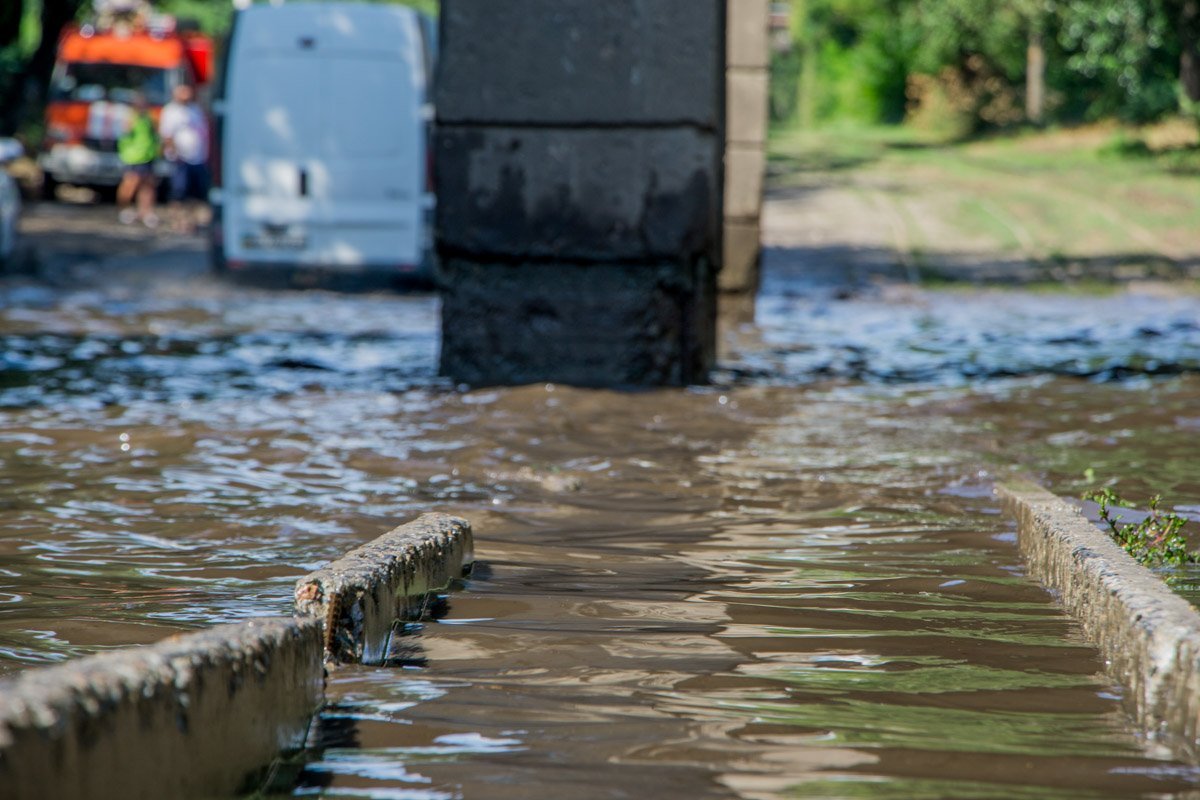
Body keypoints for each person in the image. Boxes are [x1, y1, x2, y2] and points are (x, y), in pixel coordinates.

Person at [158, 84, 210, 234]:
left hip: (198, 158)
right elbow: (167, 135)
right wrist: (175, 154)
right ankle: (178, 221)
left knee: (195, 193)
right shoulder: (171, 111)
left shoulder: (196, 110)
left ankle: (191, 222)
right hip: (181, 159)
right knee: (179, 192)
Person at [116, 93, 160, 227]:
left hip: (148, 156)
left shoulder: (149, 119)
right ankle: (124, 209)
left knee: (147, 185)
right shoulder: (130, 119)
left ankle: (145, 212)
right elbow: (124, 136)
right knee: (130, 184)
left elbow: (156, 136)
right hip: (133, 157)